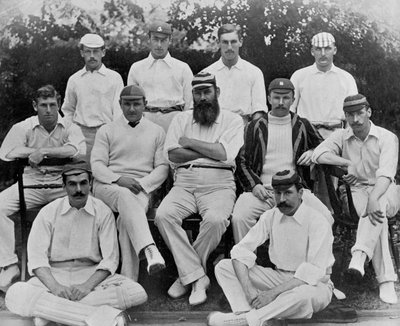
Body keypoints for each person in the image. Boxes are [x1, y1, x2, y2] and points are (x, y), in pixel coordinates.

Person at [5, 161, 147, 326]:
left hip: (91, 275)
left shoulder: (103, 211)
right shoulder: (48, 212)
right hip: (54, 274)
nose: (78, 189)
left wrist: (87, 286)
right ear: (64, 185)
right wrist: (56, 288)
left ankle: (50, 313)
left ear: (90, 184)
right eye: (72, 184)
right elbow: (36, 260)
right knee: (15, 293)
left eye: (83, 183)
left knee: (136, 291)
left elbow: (110, 259)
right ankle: (103, 317)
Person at [155, 72, 244, 306]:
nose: (203, 98)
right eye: (198, 93)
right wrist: (210, 149)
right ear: (192, 95)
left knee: (215, 220)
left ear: (217, 93)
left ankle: (187, 276)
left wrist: (190, 142)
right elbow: (172, 153)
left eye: (207, 92)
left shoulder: (233, 120)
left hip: (219, 183)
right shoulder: (181, 119)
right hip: (184, 182)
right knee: (163, 216)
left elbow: (224, 154)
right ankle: (197, 277)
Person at [207, 170, 334, 326]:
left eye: (288, 193)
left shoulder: (317, 220)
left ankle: (238, 320)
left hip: (315, 285)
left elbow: (312, 272)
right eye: (277, 193)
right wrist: (249, 291)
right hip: (280, 278)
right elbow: (240, 251)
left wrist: (271, 294)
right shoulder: (271, 215)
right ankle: (263, 317)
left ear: (301, 193)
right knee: (224, 267)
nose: (282, 199)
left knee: (304, 295)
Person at [312, 94, 400, 304]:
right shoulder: (342, 135)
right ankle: (385, 281)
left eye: (360, 113)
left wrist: (374, 197)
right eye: (350, 115)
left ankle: (360, 255)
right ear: (345, 116)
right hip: (357, 190)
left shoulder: (387, 138)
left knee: (376, 206)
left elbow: (386, 174)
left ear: (369, 112)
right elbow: (318, 154)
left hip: (386, 189)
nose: (356, 120)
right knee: (377, 217)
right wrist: (345, 162)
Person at [0, 85, 85, 292]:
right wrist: (34, 151)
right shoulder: (24, 127)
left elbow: (77, 150)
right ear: (34, 106)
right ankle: (9, 265)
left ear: (59, 104)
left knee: (90, 205)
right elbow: (7, 152)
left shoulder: (70, 126)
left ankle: (80, 264)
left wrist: (44, 152)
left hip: (62, 185)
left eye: (53, 105)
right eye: (43, 105)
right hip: (31, 185)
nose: (48, 110)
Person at [232, 78, 332, 243]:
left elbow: (326, 146)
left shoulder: (302, 125)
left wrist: (314, 152)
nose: (280, 102)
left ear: (293, 100)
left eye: (286, 98)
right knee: (239, 218)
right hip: (262, 191)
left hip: (295, 190)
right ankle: (246, 263)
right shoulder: (254, 126)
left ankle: (312, 264)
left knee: (325, 217)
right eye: (276, 97)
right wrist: (254, 185)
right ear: (269, 98)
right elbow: (241, 161)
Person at [91, 84, 169, 281]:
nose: (132, 109)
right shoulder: (106, 130)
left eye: (136, 104)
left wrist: (142, 184)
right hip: (108, 185)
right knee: (125, 195)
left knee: (125, 220)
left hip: (140, 189)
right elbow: (97, 165)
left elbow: (162, 167)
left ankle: (128, 281)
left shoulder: (157, 131)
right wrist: (118, 179)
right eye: (127, 104)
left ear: (145, 105)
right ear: (120, 104)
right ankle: (149, 248)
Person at [62, 33, 124, 162]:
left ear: (103, 52)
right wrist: (70, 133)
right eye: (87, 51)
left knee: (104, 172)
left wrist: (115, 134)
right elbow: (68, 110)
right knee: (81, 174)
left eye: (96, 51)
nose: (91, 56)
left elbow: (118, 110)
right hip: (80, 135)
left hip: (106, 133)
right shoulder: (74, 79)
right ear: (81, 53)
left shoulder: (114, 78)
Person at [127, 21, 193, 132]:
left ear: (170, 40)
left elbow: (190, 103)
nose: (159, 45)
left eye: (163, 40)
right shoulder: (137, 68)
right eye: (155, 39)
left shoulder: (182, 68)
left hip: (174, 122)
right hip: (145, 122)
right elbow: (131, 101)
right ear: (149, 39)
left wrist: (183, 127)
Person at [290, 32, 358, 139]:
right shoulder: (299, 76)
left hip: (337, 135)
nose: (323, 53)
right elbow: (290, 109)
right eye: (318, 49)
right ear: (312, 51)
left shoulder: (346, 78)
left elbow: (353, 111)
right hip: (306, 135)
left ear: (334, 50)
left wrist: (348, 138)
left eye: (327, 48)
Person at [203, 23, 267, 122]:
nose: (229, 47)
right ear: (218, 43)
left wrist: (249, 132)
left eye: (233, 42)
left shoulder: (254, 72)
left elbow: (259, 111)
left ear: (240, 42)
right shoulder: (207, 73)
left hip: (243, 127)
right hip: (213, 127)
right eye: (225, 42)